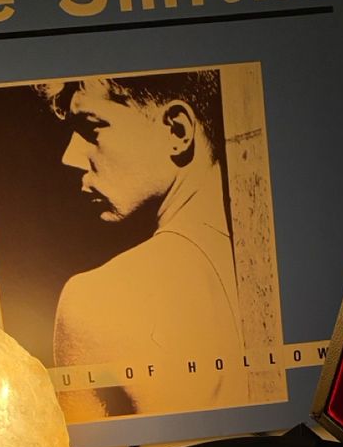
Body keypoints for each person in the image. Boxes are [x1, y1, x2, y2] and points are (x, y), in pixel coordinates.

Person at [36, 69, 247, 421]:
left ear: (177, 131)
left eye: (91, 127)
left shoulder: (94, 297)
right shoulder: (285, 266)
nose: (69, 157)